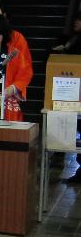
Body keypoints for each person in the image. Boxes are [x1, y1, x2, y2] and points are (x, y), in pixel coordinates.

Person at [52, 11, 81, 183]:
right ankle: (59, 152)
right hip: (68, 87)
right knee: (68, 123)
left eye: (79, 20)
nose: (76, 23)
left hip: (75, 86)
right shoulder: (71, 38)